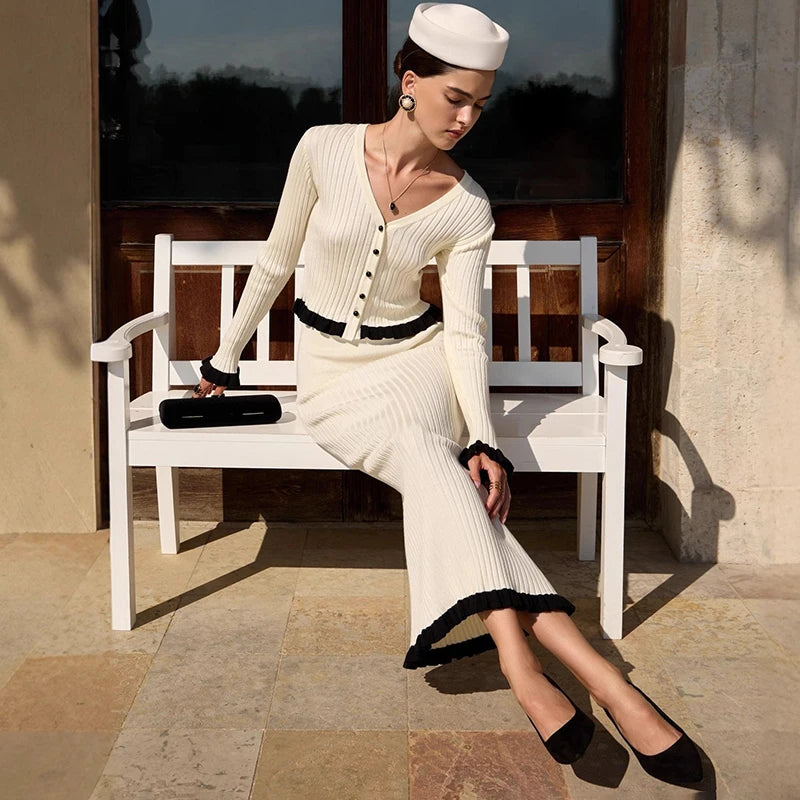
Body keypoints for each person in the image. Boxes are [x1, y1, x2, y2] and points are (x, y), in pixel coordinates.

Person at [193, 2, 702, 785]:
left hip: (418, 364)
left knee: (444, 465)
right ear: (409, 82)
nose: (467, 118)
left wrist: (483, 435)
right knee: (433, 472)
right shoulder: (322, 150)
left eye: (480, 104)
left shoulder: (468, 205)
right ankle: (601, 677)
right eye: (455, 97)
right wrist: (225, 359)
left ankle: (533, 670)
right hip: (332, 377)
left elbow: (463, 332)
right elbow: (274, 261)